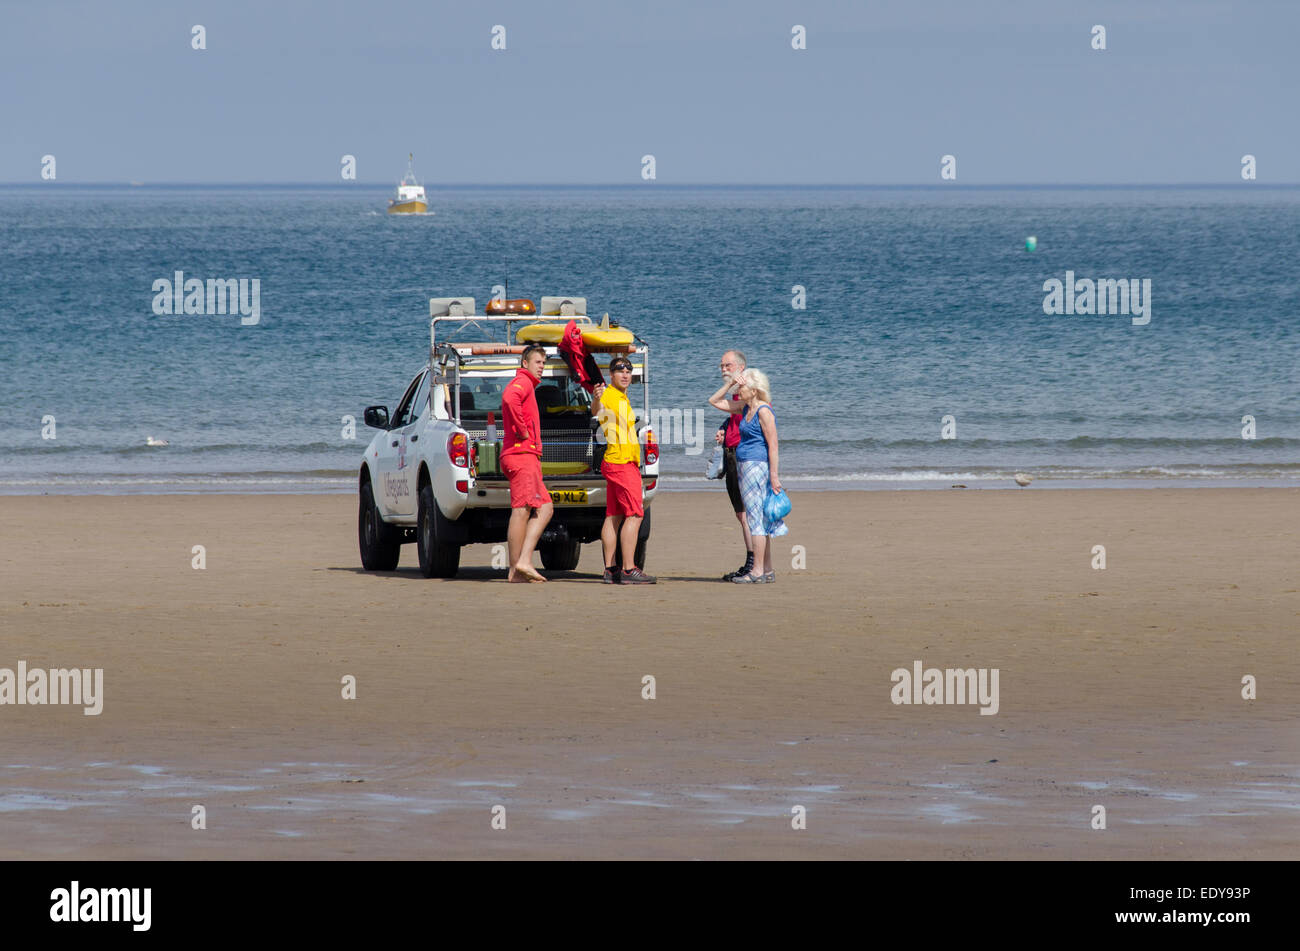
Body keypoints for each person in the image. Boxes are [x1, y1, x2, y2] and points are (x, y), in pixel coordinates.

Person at [709, 368, 785, 583]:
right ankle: (767, 570)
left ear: (754, 389)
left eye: (742, 387)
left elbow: (773, 446)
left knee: (755, 520)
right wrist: (731, 383)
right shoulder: (745, 408)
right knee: (758, 519)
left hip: (756, 467)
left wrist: (774, 476)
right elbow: (714, 400)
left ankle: (758, 571)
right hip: (745, 466)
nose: (739, 390)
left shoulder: (763, 411)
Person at [592, 357, 656, 584]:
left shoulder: (622, 397)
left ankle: (610, 569)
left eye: (629, 371)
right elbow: (597, 412)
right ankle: (628, 569)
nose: (626, 374)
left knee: (614, 516)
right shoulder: (608, 395)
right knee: (636, 514)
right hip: (620, 463)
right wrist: (595, 398)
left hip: (617, 461)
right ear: (611, 374)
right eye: (620, 371)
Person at [501, 345, 552, 582]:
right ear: (525, 363)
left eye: (543, 362)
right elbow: (509, 398)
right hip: (521, 454)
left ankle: (519, 566)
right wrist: (522, 430)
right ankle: (518, 565)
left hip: (525, 455)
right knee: (522, 510)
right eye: (537, 362)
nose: (541, 366)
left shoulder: (529, 384)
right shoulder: (522, 382)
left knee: (545, 507)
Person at [713, 350, 754, 580]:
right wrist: (724, 426)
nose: (723, 369)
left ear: (740, 367)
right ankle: (752, 561)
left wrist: (733, 386)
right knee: (741, 513)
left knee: (748, 513)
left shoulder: (748, 388)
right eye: (721, 366)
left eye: (727, 366)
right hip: (731, 454)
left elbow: (755, 411)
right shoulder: (738, 392)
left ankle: (754, 563)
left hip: (744, 455)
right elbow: (736, 414)